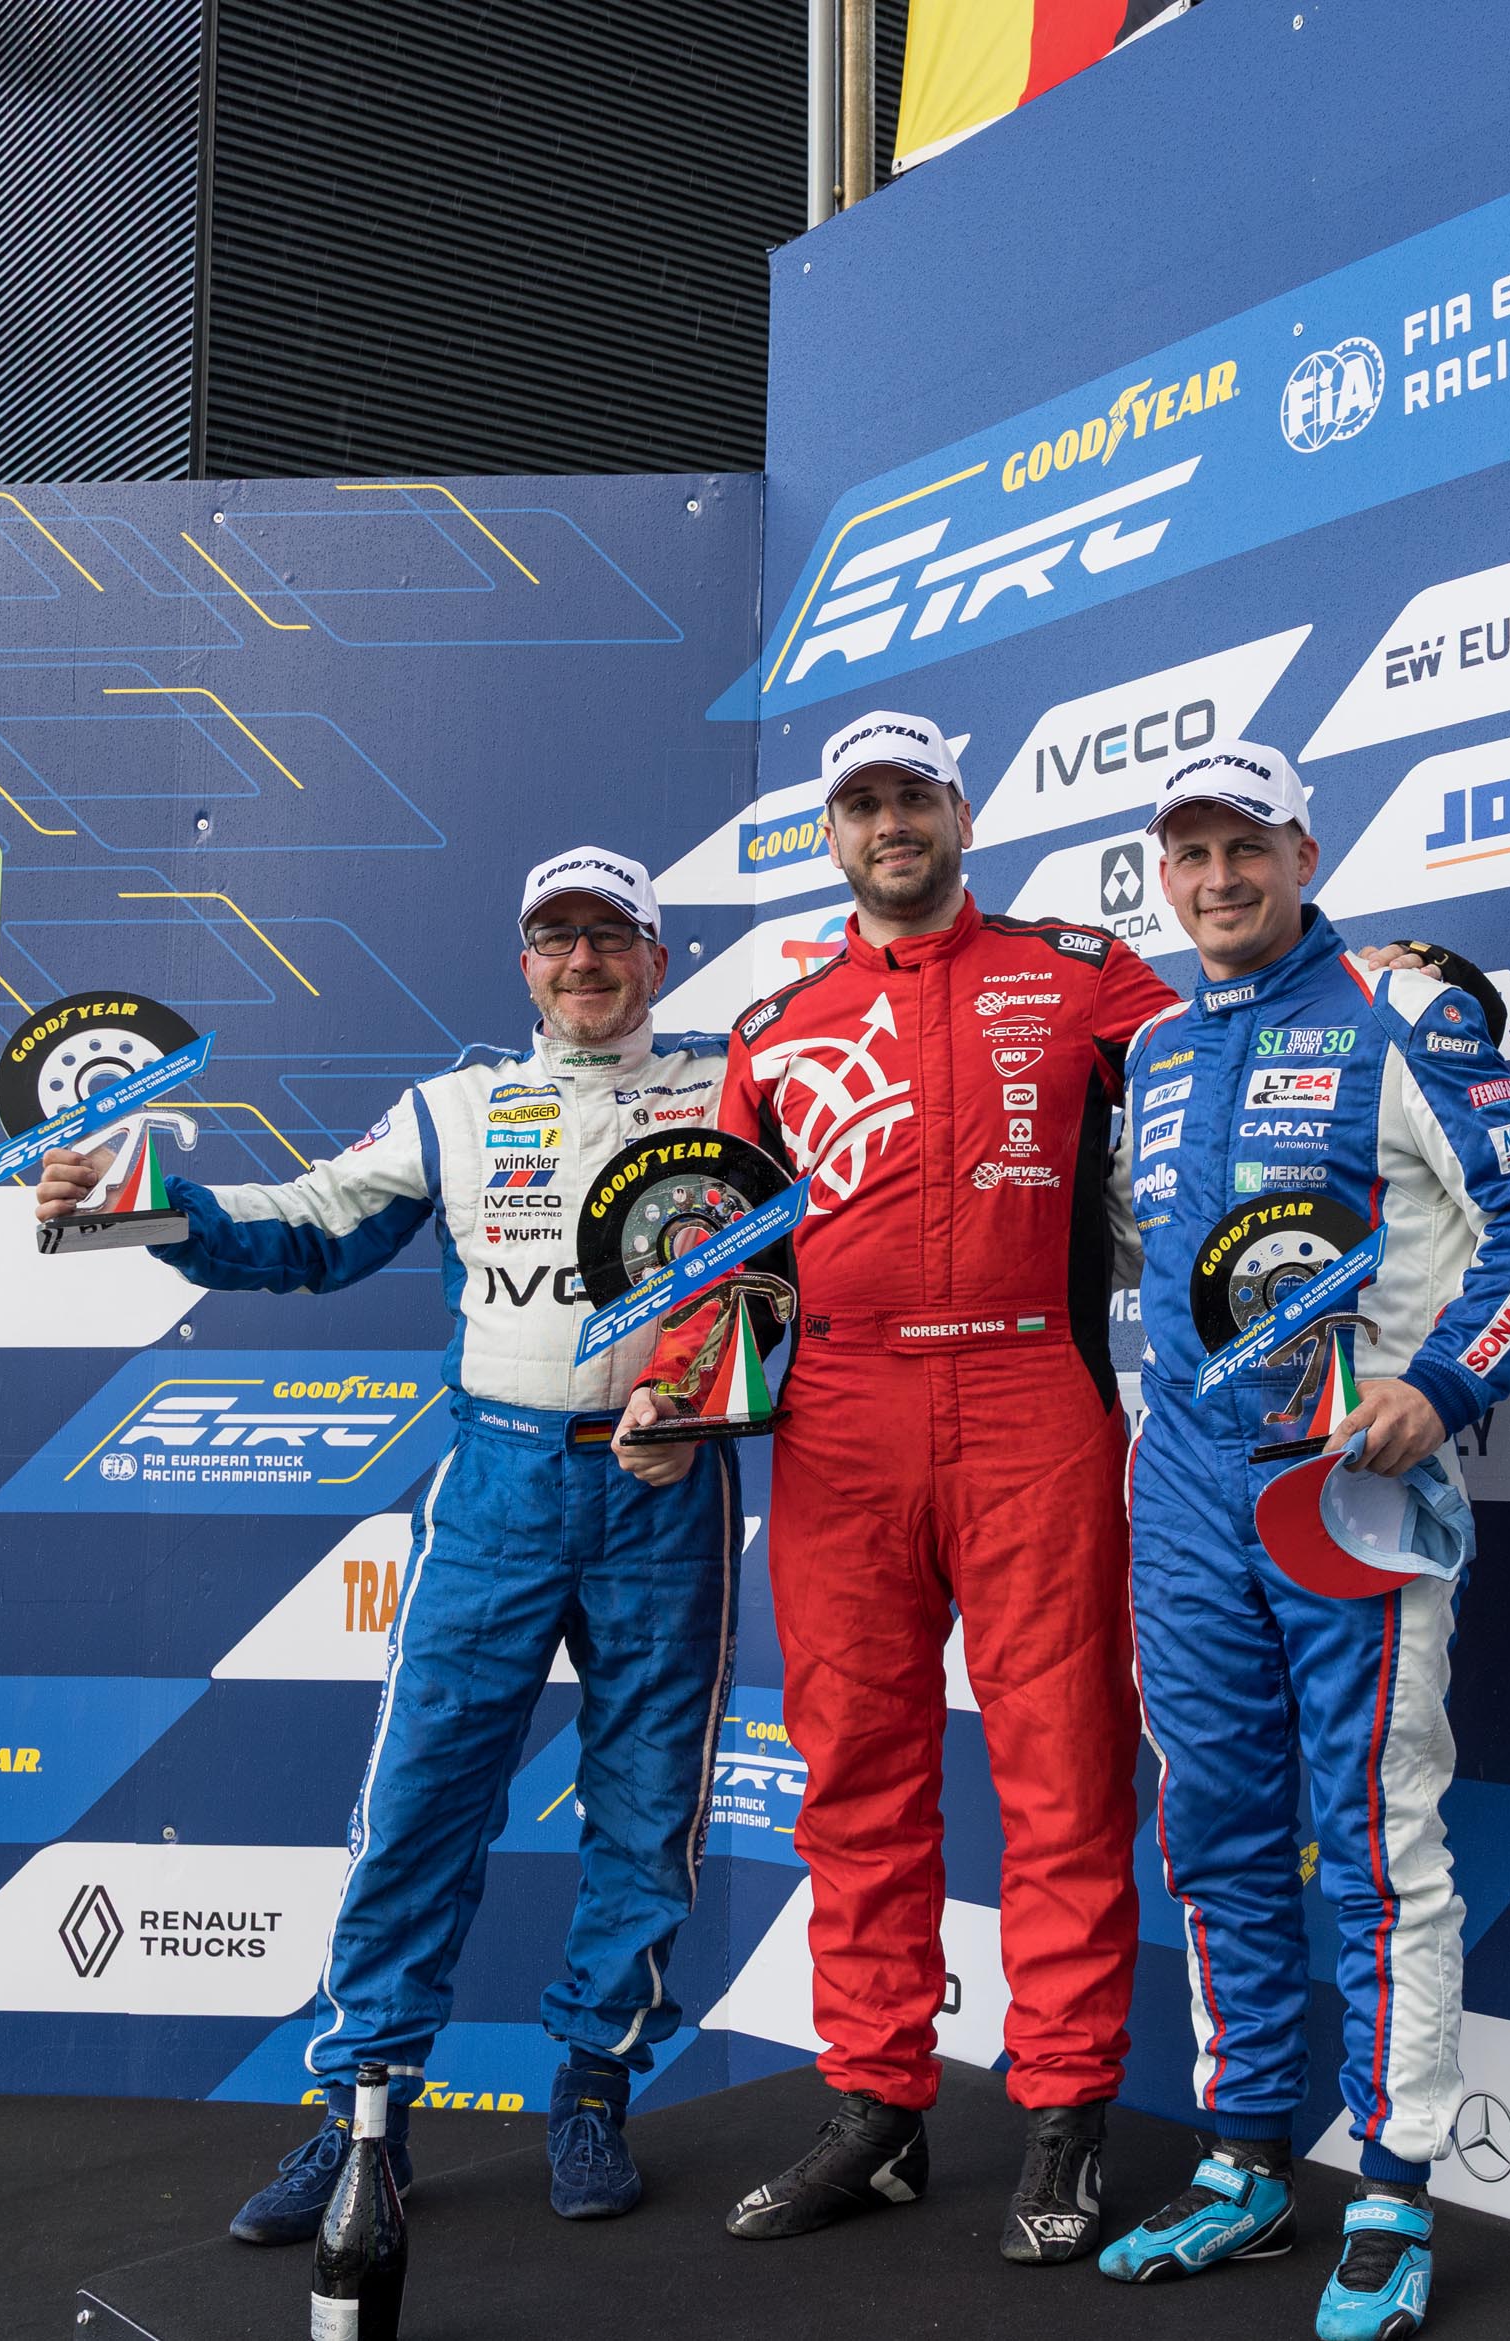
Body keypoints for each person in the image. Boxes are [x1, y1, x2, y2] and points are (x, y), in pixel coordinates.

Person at [32, 848, 740, 2240]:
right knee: (420, 1801)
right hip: (498, 1484)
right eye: (557, 938)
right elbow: (314, 1228)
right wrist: (141, 1200)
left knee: (649, 1811)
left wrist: (717, 1400)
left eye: (612, 936)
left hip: (663, 1487)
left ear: (657, 957)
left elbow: (799, 1258)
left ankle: (594, 2093)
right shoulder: (458, 1106)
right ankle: (364, 2114)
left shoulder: (732, 1085)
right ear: (524, 963)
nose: (584, 961)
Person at [620, 709, 1171, 2265]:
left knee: (1064, 1764)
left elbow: (1228, 1064)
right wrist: (677, 1388)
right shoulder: (776, 1023)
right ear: (832, 832)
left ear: (962, 813)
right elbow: (720, 1246)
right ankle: (876, 2108)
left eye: (914, 797)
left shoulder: (1083, 971)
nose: (890, 825)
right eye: (861, 804)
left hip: (1032, 1392)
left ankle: (1064, 2107)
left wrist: (1361, 987)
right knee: (857, 1770)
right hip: (842, 1417)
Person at [1096, 745, 1510, 2341]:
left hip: (1347, 1484)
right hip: (1186, 1487)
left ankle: (1391, 2185)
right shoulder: (1158, 1045)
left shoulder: (1402, 1006)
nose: (1218, 877)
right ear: (1162, 873)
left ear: (1303, 851)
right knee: (1214, 1827)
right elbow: (1147, 1265)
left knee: (1379, 1838)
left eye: (1246, 845)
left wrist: (1438, 1388)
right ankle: (1246, 2157)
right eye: (1190, 852)